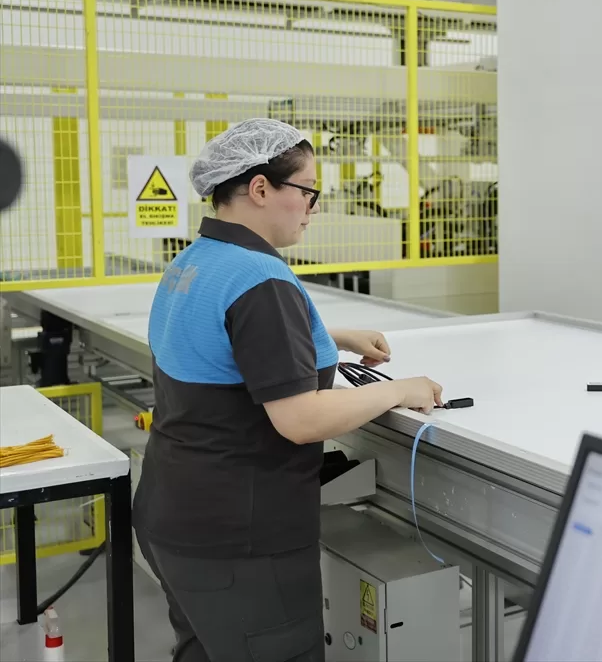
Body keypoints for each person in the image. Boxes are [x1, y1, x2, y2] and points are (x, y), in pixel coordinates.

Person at [133, 119, 443, 662]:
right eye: (307, 192)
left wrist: (330, 337)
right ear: (259, 188)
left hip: (173, 512)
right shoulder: (260, 278)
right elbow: (300, 419)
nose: (312, 208)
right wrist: (399, 390)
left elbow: (223, 345)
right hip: (240, 539)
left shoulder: (195, 260)